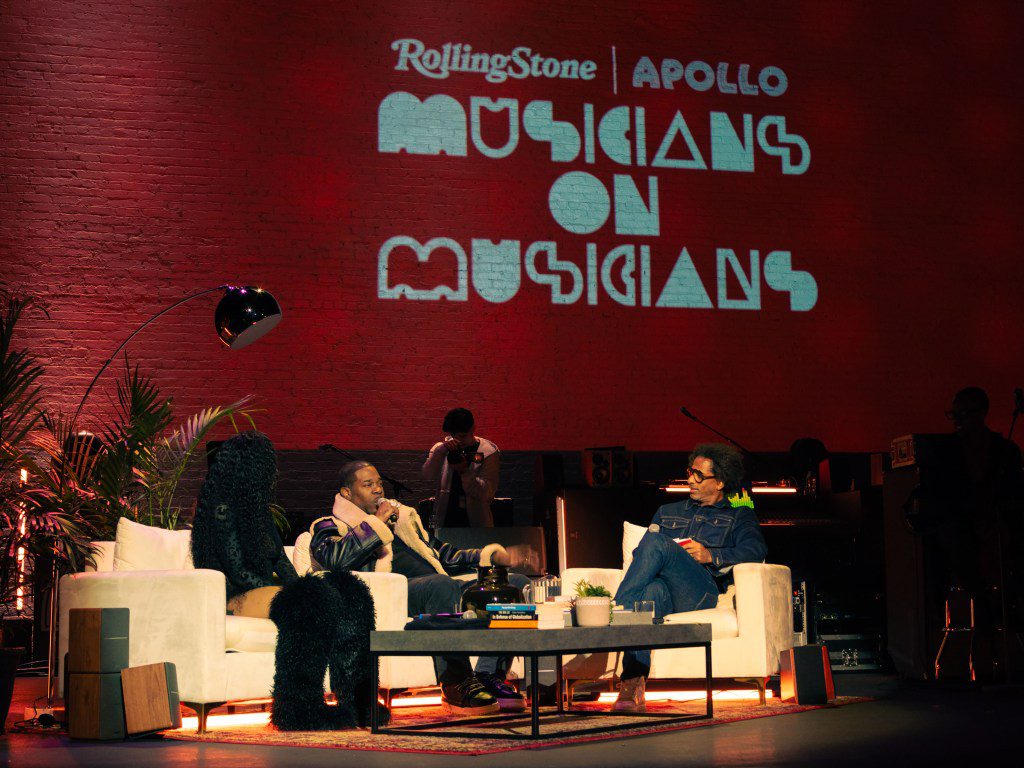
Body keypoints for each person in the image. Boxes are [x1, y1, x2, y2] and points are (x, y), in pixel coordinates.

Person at [303, 460, 536, 714]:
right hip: (394, 596)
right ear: (347, 493)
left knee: (515, 585)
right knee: (440, 585)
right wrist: (376, 525)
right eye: (368, 484)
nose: (378, 490)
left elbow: (445, 555)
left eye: (379, 484)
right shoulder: (328, 525)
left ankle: (489, 675)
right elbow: (335, 559)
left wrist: (492, 558)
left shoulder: (404, 521)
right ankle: (456, 682)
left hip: (440, 587)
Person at [190, 432, 383, 729]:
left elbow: (280, 560)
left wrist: (305, 584)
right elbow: (239, 572)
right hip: (235, 595)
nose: (273, 472)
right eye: (267, 465)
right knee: (308, 600)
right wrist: (295, 592)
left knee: (349, 591)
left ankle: (359, 702)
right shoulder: (222, 510)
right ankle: (298, 709)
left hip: (265, 589)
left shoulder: (260, 512)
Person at [610, 443, 767, 712]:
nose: (690, 480)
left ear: (719, 482)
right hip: (664, 590)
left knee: (659, 543)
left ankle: (615, 611)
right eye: (689, 472)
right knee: (650, 595)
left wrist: (710, 555)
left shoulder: (738, 515)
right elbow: (642, 553)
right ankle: (631, 686)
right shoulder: (667, 511)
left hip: (699, 591)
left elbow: (755, 550)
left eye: (698, 475)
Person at [941, 387, 1024, 679]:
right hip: (962, 537)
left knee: (998, 593)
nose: (957, 420)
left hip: (995, 536)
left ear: (981, 414)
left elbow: (1015, 494)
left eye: (963, 413)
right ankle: (980, 658)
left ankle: (999, 656)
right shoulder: (948, 451)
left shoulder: (1005, 452)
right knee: (975, 592)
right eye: (954, 414)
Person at [422, 407, 499, 528]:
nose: (459, 441)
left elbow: (487, 494)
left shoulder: (487, 452)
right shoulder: (442, 449)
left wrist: (464, 471)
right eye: (454, 436)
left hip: (476, 522)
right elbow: (427, 475)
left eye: (463, 436)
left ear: (473, 428)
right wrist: (441, 450)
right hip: (446, 519)